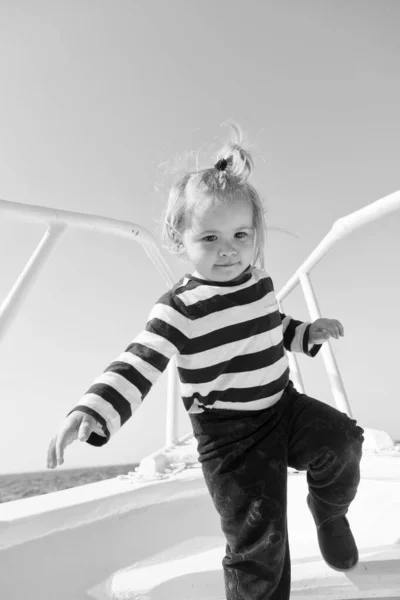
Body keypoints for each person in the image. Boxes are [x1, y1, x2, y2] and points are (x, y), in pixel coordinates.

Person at [47, 124, 365, 600]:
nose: (228, 249)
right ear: (180, 241)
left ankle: (330, 511)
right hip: (229, 436)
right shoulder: (179, 307)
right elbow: (140, 360)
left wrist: (305, 334)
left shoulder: (257, 282)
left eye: (240, 234)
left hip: (283, 405)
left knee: (343, 442)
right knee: (261, 541)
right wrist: (91, 410)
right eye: (210, 237)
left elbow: (272, 326)